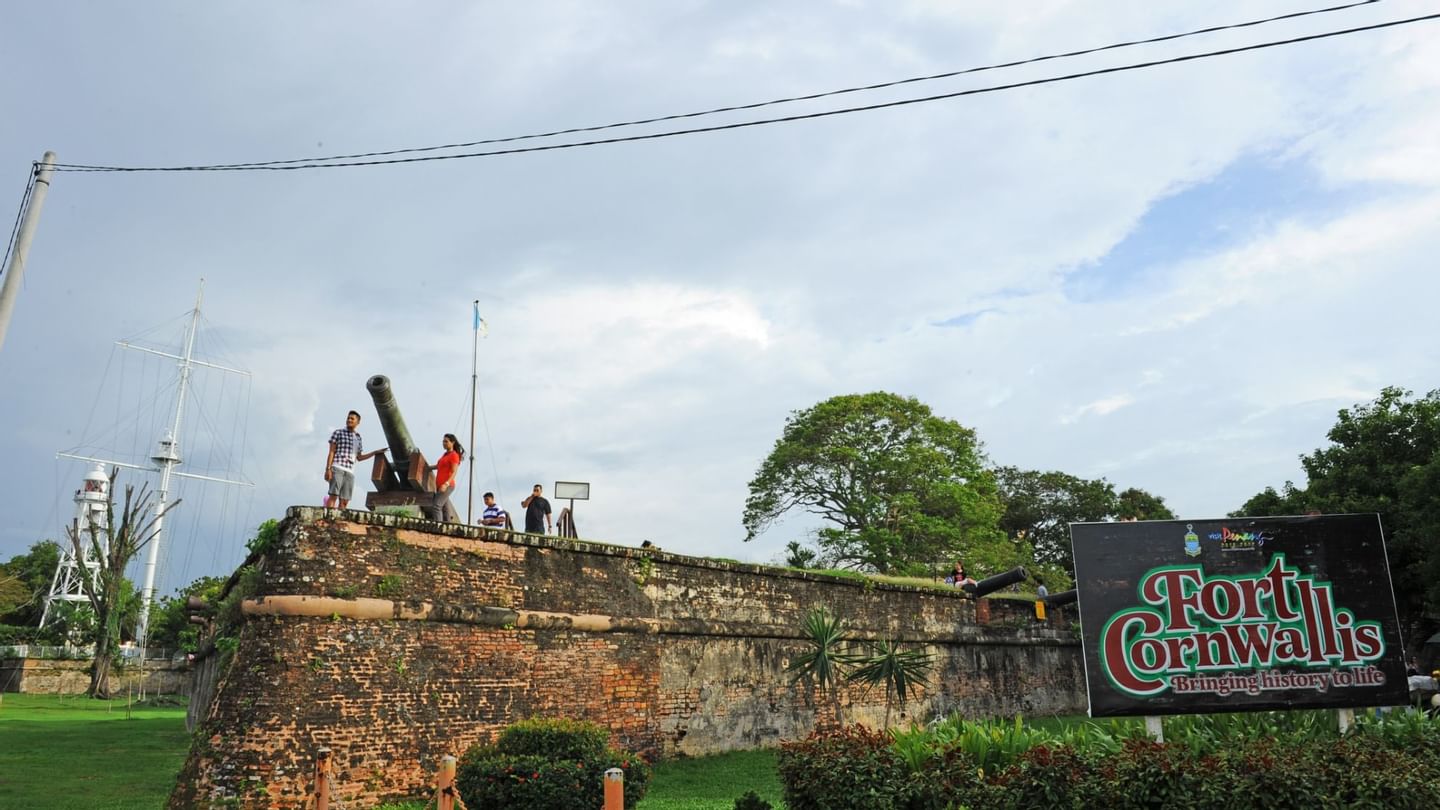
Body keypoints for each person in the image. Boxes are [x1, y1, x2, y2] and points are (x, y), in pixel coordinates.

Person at [325, 410, 386, 509]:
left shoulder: (358, 438)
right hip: (338, 467)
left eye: (352, 419)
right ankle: (328, 519)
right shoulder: (338, 433)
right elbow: (331, 452)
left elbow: (359, 457)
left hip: (350, 471)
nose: (349, 420)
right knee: (333, 495)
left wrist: (375, 452)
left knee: (345, 500)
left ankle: (338, 521)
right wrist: (328, 469)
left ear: (357, 422)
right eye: (348, 418)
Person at [423, 434, 463, 523]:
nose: (444, 443)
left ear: (452, 443)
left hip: (447, 486)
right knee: (445, 508)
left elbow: (454, 471)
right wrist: (427, 468)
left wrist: (446, 484)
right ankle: (449, 525)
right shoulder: (445, 455)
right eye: (443, 441)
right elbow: (439, 466)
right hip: (440, 485)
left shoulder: (454, 455)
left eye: (446, 441)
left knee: (436, 505)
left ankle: (438, 527)